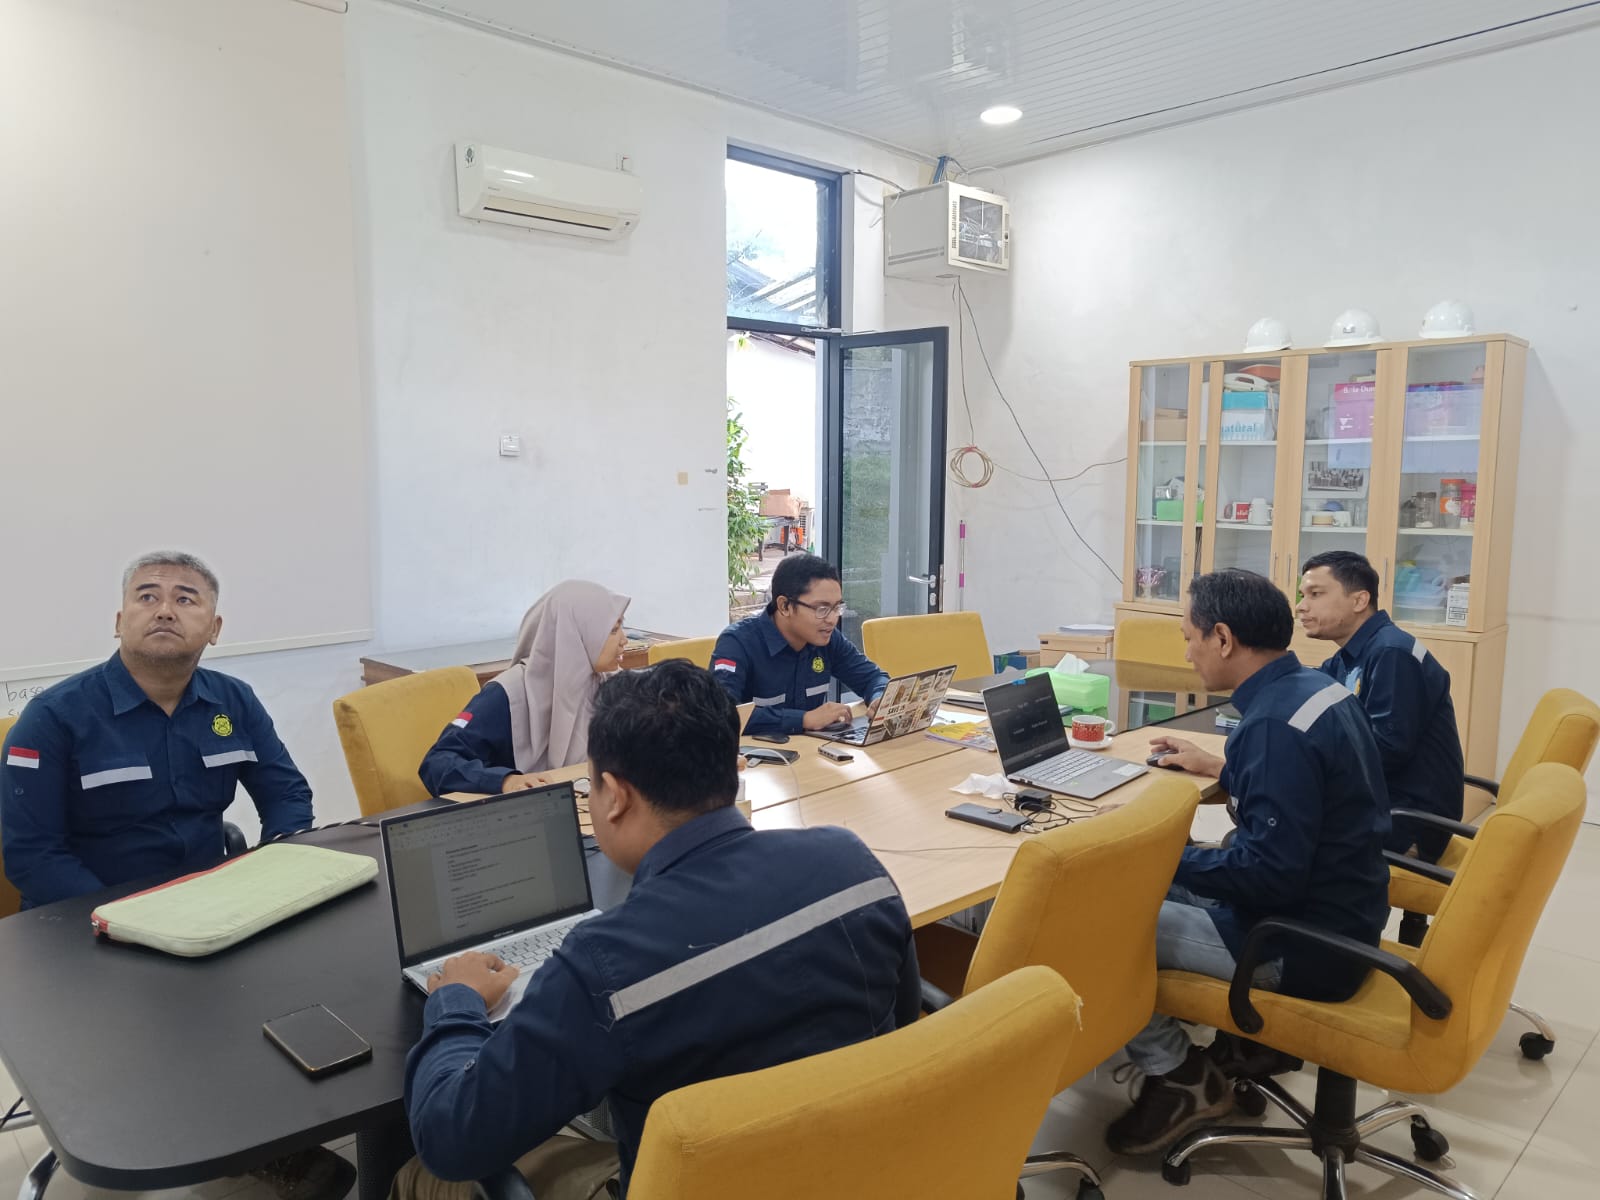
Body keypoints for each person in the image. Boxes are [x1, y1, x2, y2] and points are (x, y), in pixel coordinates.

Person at [398, 659, 921, 1199]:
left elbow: (449, 1138)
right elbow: (907, 1029)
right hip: (868, 1172)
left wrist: (455, 1002)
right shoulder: (853, 865)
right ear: (731, 766)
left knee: (418, 1176)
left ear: (615, 795)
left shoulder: (604, 963)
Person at [0, 552, 350, 1200]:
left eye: (187, 598)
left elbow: (286, 793)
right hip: (84, 926)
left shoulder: (232, 702)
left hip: (205, 906)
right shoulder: (54, 718)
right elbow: (32, 855)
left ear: (214, 629)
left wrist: (277, 866)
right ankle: (200, 1127)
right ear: (119, 620)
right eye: (147, 595)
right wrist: (134, 923)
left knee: (318, 965)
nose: (165, 608)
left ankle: (268, 1123)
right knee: (169, 1019)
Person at [1105, 570, 1390, 1157]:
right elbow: (1310, 792)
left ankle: (1179, 1076)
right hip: (1348, 916)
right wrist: (1223, 768)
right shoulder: (1316, 689)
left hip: (1297, 943)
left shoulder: (1270, 727)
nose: (1188, 654)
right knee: (1148, 884)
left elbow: (1267, 877)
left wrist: (1157, 858)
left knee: (1095, 926)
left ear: (1224, 638)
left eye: (1190, 639)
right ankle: (1223, 1048)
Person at [1296, 550, 1463, 868]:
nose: (1301, 606)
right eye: (1303, 595)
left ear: (1359, 600)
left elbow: (1385, 750)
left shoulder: (1391, 653)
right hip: (1381, 802)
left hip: (1406, 820)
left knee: (1273, 837)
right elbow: (1309, 694)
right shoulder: (1352, 654)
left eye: (1315, 594)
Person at [418, 581, 630, 796]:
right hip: (533, 810)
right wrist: (506, 781)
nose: (624, 640)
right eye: (613, 630)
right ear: (574, 634)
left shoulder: (611, 684)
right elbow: (437, 763)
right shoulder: (508, 695)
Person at [709, 553, 888, 736]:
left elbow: (873, 678)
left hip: (812, 749)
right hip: (757, 753)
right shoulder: (737, 643)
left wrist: (879, 698)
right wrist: (803, 720)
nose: (832, 619)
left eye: (837, 608)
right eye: (822, 609)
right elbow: (721, 714)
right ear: (784, 606)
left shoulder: (828, 639)